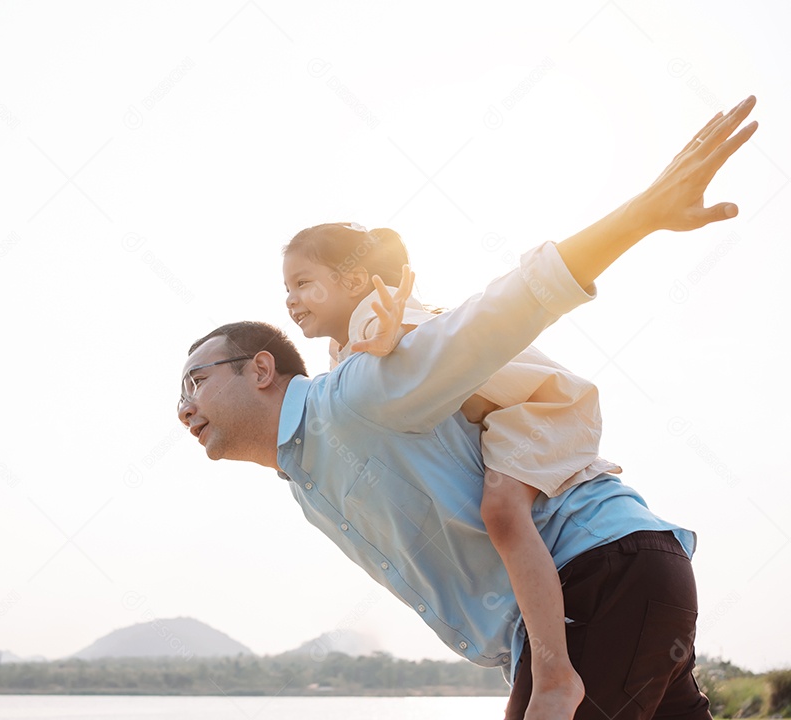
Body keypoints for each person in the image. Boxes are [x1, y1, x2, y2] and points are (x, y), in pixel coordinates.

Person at [176, 97, 758, 720]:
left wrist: (639, 215)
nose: (183, 408)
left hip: (597, 574)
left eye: (195, 382)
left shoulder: (356, 393)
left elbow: (500, 313)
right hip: (609, 588)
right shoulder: (310, 474)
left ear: (260, 370)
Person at [282, 222, 622, 718]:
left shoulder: (383, 316)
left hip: (542, 410)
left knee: (502, 511)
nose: (291, 299)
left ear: (354, 281)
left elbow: (400, 336)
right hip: (511, 421)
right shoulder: (342, 354)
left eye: (302, 282)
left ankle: (555, 676)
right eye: (286, 289)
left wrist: (386, 334)